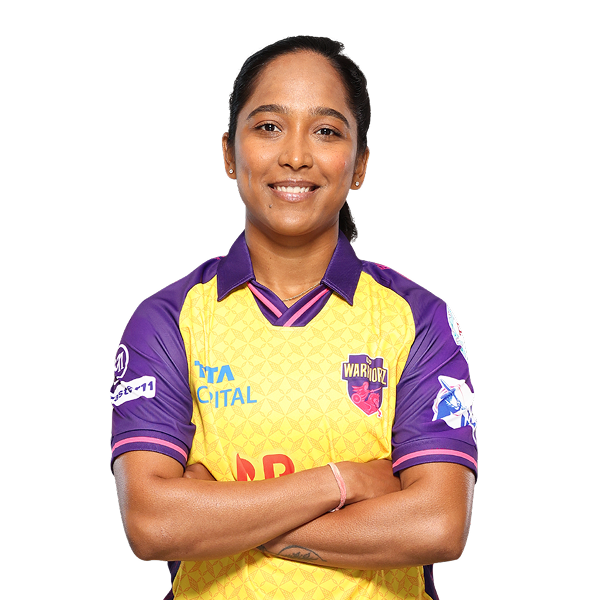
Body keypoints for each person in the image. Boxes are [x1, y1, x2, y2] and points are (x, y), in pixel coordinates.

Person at [110, 35, 477, 600]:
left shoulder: (418, 318)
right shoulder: (166, 320)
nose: (296, 156)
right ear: (229, 154)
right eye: (269, 126)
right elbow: (153, 524)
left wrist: (219, 513)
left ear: (360, 165)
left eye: (326, 131)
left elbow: (438, 526)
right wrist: (344, 481)